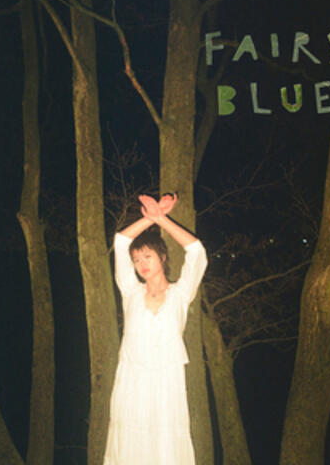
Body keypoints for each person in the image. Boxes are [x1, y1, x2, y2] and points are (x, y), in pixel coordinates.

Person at [103, 193, 208, 465]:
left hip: (167, 380)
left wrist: (161, 219)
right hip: (132, 379)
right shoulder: (130, 292)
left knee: (166, 444)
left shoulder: (180, 294)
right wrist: (148, 218)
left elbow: (196, 251)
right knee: (130, 442)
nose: (142, 264)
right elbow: (121, 241)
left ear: (162, 256)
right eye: (137, 260)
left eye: (148, 256)